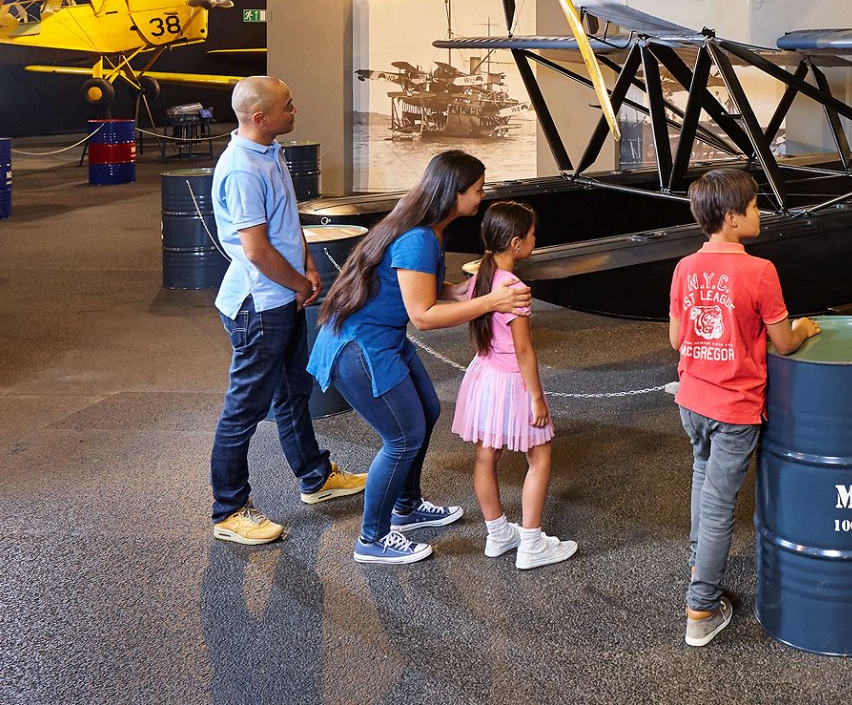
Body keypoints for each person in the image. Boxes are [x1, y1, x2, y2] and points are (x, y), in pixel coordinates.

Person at [310, 150, 532, 565]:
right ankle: (371, 538)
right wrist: (491, 302)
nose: (481, 198)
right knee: (402, 437)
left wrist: (461, 291)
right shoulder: (416, 237)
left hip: (383, 340)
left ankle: (407, 508)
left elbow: (422, 289)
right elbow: (424, 316)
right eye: (477, 190)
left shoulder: (429, 228)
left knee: (427, 410)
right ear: (454, 194)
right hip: (360, 349)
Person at [209, 76, 366, 545]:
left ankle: (314, 477)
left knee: (293, 392)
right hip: (258, 305)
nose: (295, 110)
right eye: (287, 106)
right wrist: (299, 282)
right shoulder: (241, 168)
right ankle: (229, 511)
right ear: (260, 117)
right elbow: (256, 250)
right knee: (244, 411)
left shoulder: (269, 151)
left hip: (283, 294)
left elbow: (284, 221)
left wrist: (309, 265)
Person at [669, 169, 821, 647]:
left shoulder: (684, 268)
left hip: (692, 400)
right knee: (718, 509)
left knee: (701, 478)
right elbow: (783, 341)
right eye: (755, 207)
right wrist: (804, 329)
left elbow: (677, 338)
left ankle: (699, 562)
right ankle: (701, 607)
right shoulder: (760, 271)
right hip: (734, 407)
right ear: (733, 218)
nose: (760, 213)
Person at [450, 201, 577, 570]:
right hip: (510, 383)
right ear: (518, 243)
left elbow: (453, 295)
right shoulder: (515, 289)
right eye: (534, 235)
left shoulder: (482, 277)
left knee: (486, 456)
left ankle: (498, 534)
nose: (536, 240)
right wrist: (538, 398)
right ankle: (532, 544)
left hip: (483, 377)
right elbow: (524, 351)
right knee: (540, 455)